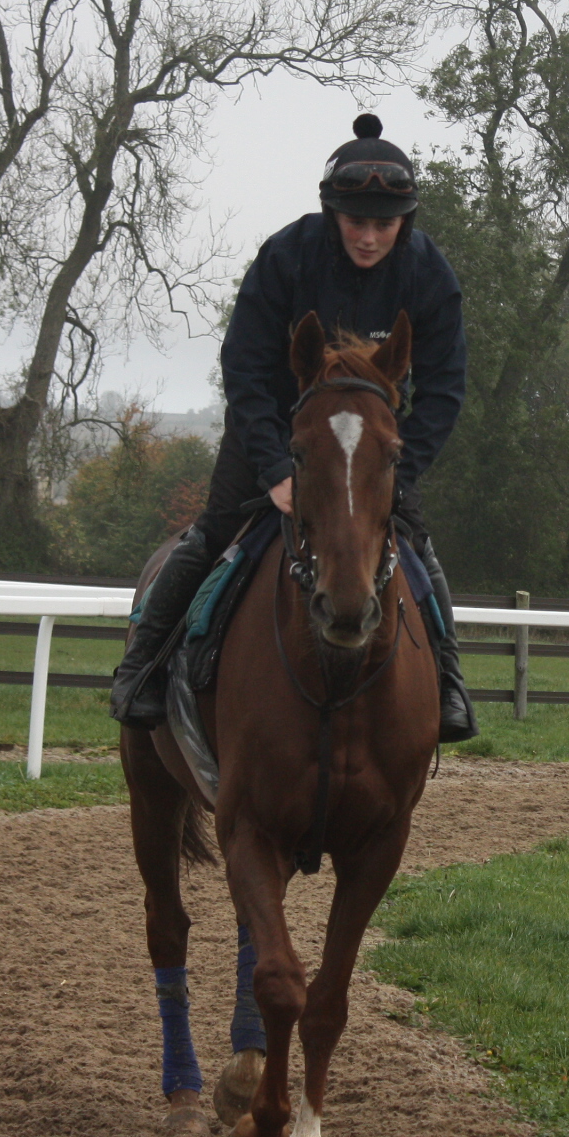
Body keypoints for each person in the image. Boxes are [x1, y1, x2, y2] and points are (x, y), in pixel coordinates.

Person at [110, 114, 478, 741]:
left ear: (405, 222)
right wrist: (276, 468)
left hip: (371, 451)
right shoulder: (286, 255)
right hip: (278, 436)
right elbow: (245, 368)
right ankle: (142, 666)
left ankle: (448, 681)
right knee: (211, 536)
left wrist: (394, 469)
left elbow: (444, 390)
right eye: (355, 221)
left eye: (383, 224)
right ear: (333, 214)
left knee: (417, 549)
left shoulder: (429, 273)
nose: (368, 237)